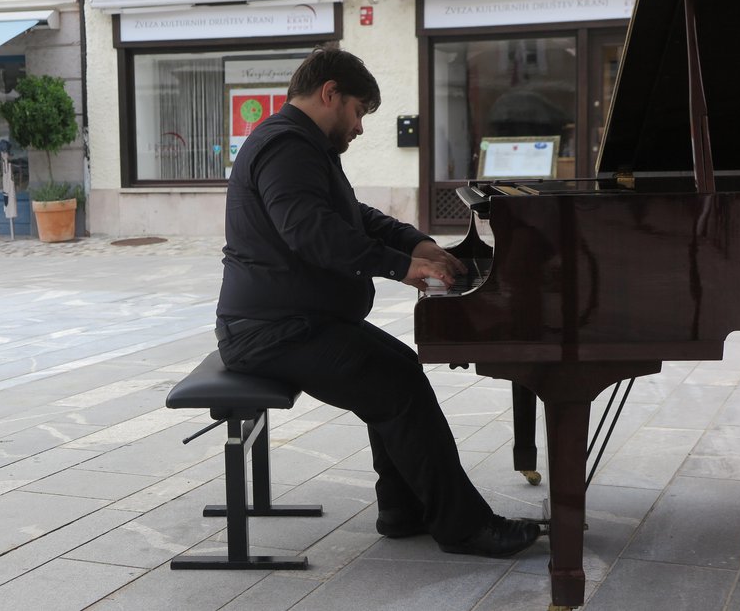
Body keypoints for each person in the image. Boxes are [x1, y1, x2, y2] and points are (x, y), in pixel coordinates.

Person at [215, 45, 539, 557]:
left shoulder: (300, 144)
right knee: (395, 384)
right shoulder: (286, 146)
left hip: (293, 321)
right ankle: (464, 528)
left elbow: (353, 216)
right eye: (359, 112)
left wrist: (416, 243)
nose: (360, 127)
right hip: (270, 331)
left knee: (398, 371)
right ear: (330, 93)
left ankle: (402, 509)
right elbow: (309, 231)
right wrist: (402, 267)